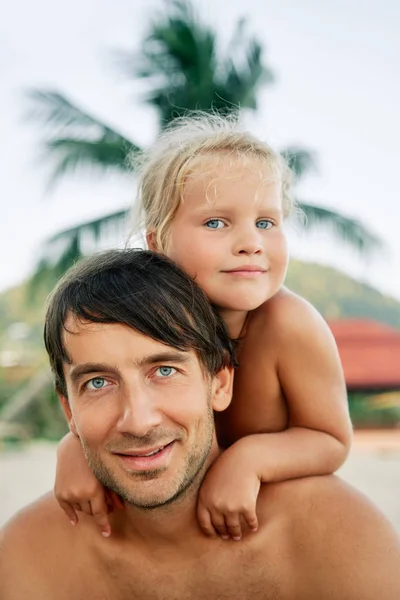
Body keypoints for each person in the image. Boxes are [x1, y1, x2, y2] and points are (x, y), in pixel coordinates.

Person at [1, 249, 400, 600]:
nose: (138, 421)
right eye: (98, 383)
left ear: (220, 382)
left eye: (165, 371)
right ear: (69, 409)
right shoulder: (29, 555)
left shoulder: (333, 535)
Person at [55, 113, 353, 540]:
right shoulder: (149, 323)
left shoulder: (288, 324)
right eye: (216, 223)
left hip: (277, 529)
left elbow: (331, 440)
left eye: (265, 223)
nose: (251, 241)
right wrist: (73, 450)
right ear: (157, 243)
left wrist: (248, 460)